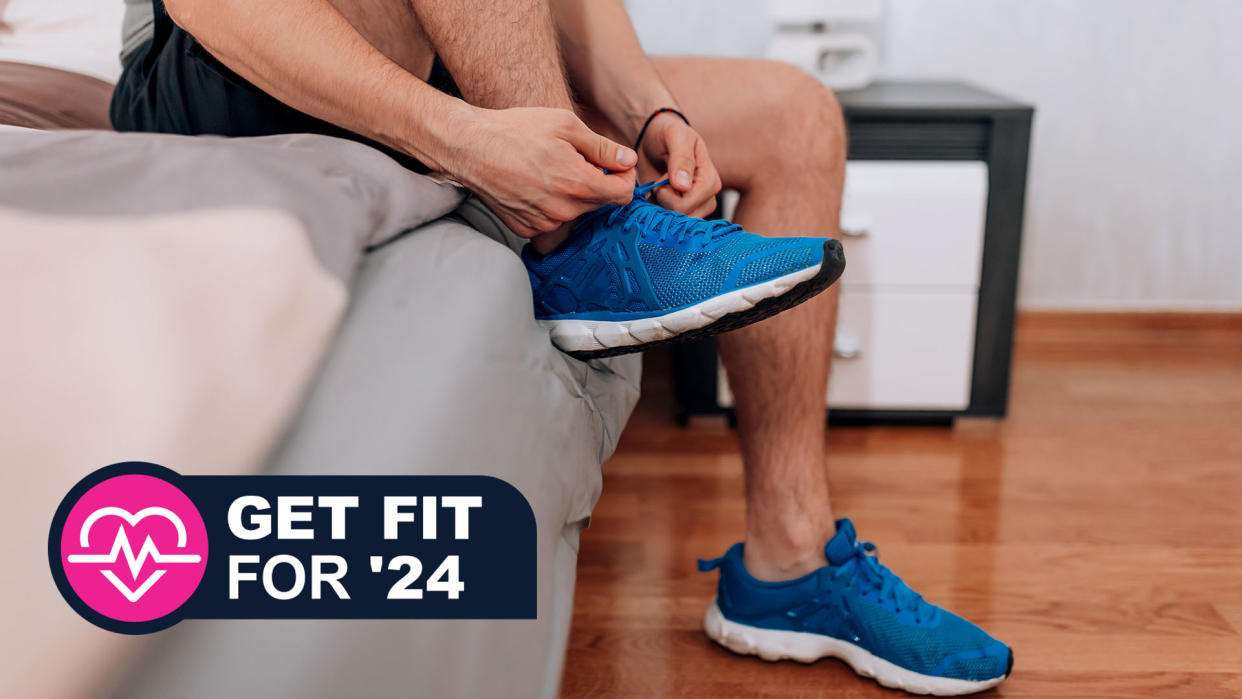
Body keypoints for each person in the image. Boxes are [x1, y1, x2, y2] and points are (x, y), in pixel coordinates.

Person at [110, 0, 1011, 693]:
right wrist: (468, 140)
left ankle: (793, 563)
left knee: (796, 117)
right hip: (229, 69)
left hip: (439, 52)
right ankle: (578, 246)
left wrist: (650, 111)